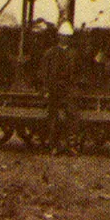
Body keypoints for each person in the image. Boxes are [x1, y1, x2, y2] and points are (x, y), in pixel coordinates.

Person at [40, 21, 77, 155]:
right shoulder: (50, 53)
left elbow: (78, 72)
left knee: (72, 116)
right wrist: (45, 90)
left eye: (67, 36)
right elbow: (44, 73)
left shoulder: (74, 54)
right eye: (62, 35)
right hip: (54, 87)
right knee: (53, 118)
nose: (64, 38)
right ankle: (53, 146)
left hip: (68, 88)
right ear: (58, 36)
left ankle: (71, 146)